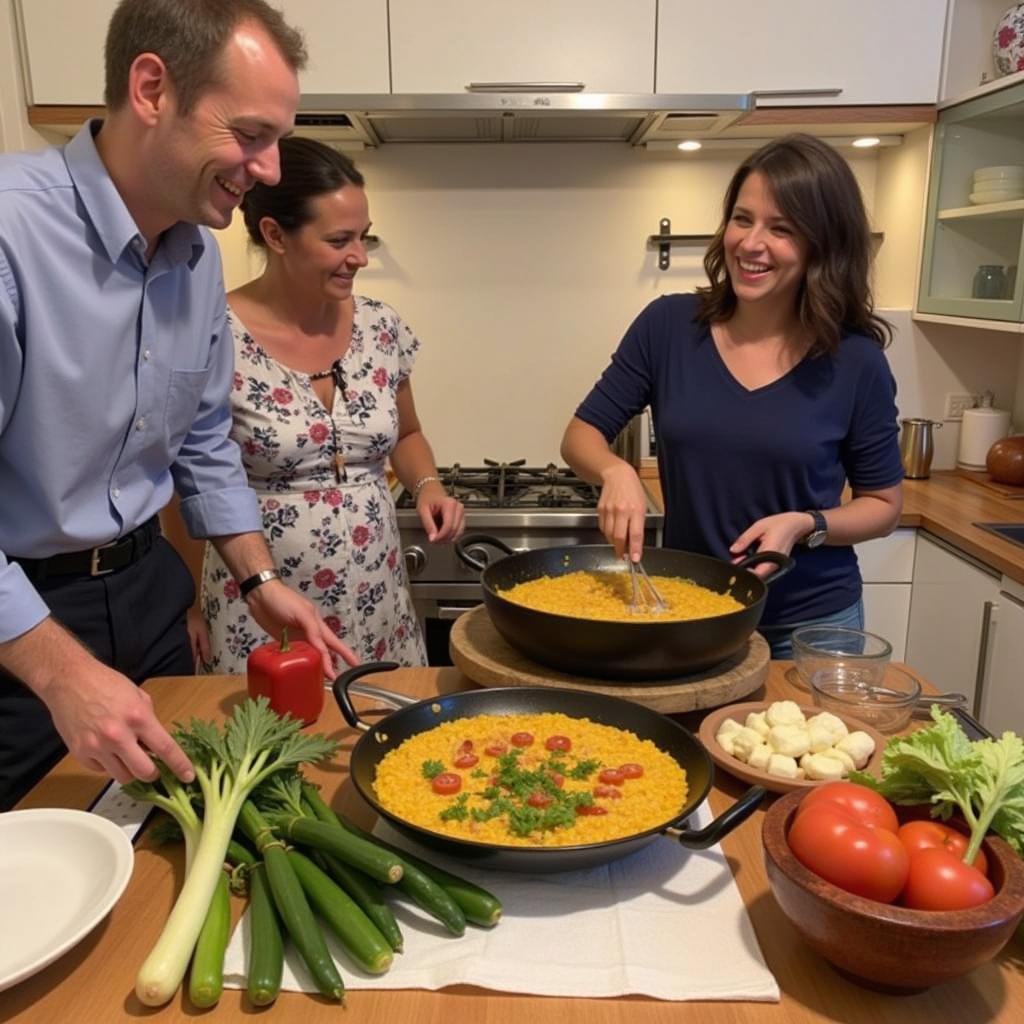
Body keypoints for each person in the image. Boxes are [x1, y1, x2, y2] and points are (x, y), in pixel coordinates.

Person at [0, 0, 356, 811]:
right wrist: (60, 670)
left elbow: (200, 437)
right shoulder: (10, 233)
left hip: (149, 597)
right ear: (152, 88)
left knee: (165, 835)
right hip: (22, 628)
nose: (269, 168)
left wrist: (257, 576)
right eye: (252, 135)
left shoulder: (193, 251)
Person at [561, 134, 904, 659]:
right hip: (693, 613)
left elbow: (882, 506)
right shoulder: (668, 326)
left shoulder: (856, 361)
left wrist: (804, 524)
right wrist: (616, 471)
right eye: (742, 219)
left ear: (823, 245)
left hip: (812, 626)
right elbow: (580, 436)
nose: (750, 243)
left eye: (782, 228)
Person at [171, 137, 464, 672]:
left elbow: (407, 434)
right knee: (273, 744)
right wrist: (188, 603)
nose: (360, 256)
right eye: (338, 240)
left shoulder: (381, 325)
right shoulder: (214, 332)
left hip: (378, 600)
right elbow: (182, 479)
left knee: (385, 741)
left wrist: (429, 486)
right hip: (258, 608)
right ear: (275, 234)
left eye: (364, 237)